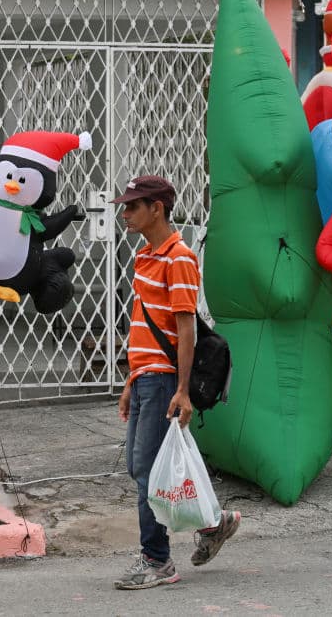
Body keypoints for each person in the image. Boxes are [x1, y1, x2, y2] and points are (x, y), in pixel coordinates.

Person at [111, 174, 241, 590]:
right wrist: (131, 379)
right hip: (146, 378)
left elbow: (185, 329)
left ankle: (157, 561)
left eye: (133, 206)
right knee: (140, 466)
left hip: (165, 381)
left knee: (148, 473)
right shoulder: (146, 256)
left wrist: (182, 390)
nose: (125, 213)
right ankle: (211, 524)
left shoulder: (178, 258)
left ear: (157, 209)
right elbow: (144, 328)